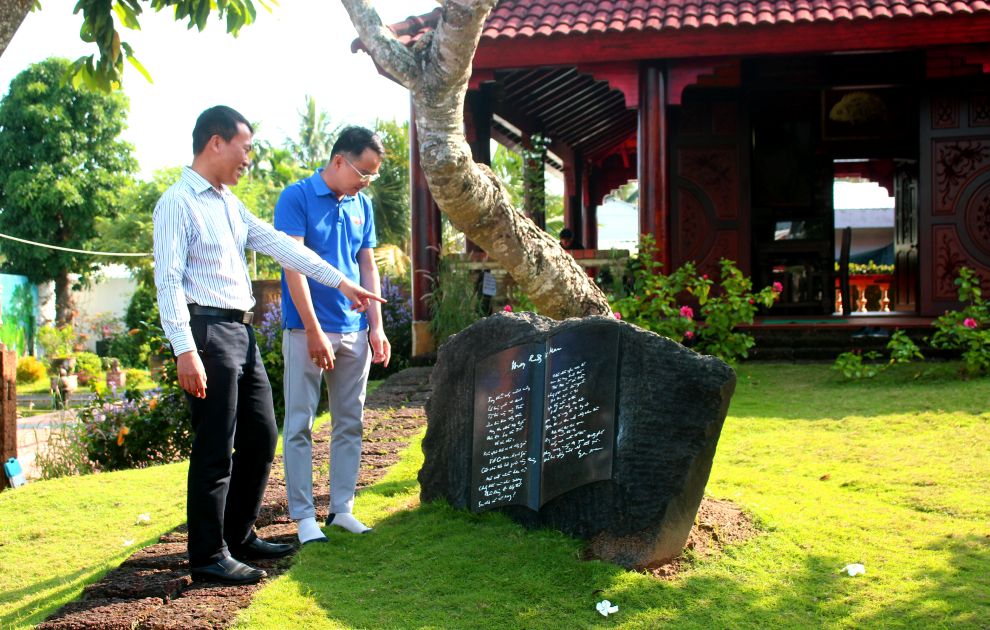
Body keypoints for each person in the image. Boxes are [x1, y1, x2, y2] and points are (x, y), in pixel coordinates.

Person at [153, 106, 385, 586]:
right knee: (216, 445)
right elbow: (168, 282)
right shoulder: (178, 202)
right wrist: (184, 348)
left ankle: (238, 534)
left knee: (262, 436)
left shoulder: (229, 204)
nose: (249, 158)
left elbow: (285, 247)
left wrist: (342, 283)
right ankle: (208, 555)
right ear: (216, 142)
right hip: (206, 333)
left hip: (241, 331)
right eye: (246, 147)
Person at [275, 126, 391, 546]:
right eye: (364, 172)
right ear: (339, 160)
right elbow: (293, 265)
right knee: (300, 424)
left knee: (350, 423)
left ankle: (342, 509)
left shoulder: (362, 204)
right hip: (306, 330)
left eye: (373, 175)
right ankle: (303, 516)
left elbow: (368, 265)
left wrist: (376, 326)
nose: (366, 181)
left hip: (354, 330)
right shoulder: (296, 197)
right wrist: (311, 330)